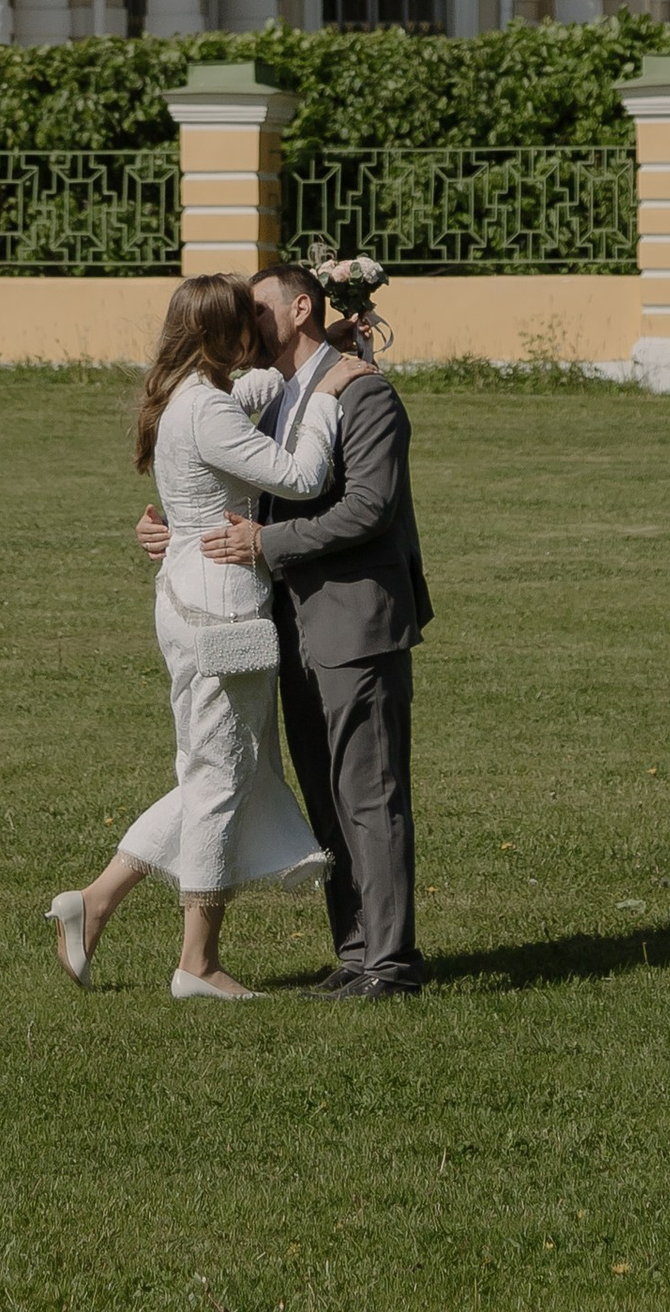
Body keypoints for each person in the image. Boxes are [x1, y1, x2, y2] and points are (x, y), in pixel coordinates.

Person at [46, 273, 341, 1002]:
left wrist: (291, 375)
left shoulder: (190, 398)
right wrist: (331, 394)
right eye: (246, 321)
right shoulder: (206, 408)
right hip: (223, 609)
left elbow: (246, 406)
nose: (258, 330)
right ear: (223, 335)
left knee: (211, 767)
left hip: (187, 599)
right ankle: (196, 962)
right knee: (217, 779)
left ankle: (99, 900)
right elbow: (302, 476)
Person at [147, 260, 433, 1002]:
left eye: (259, 310)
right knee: (326, 792)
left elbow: (368, 507)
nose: (246, 325)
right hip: (294, 625)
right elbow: (237, 476)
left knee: (368, 793)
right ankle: (357, 950)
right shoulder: (279, 392)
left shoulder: (363, 393)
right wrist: (177, 527)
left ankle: (391, 965)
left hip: (356, 622)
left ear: (299, 307)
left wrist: (264, 547)